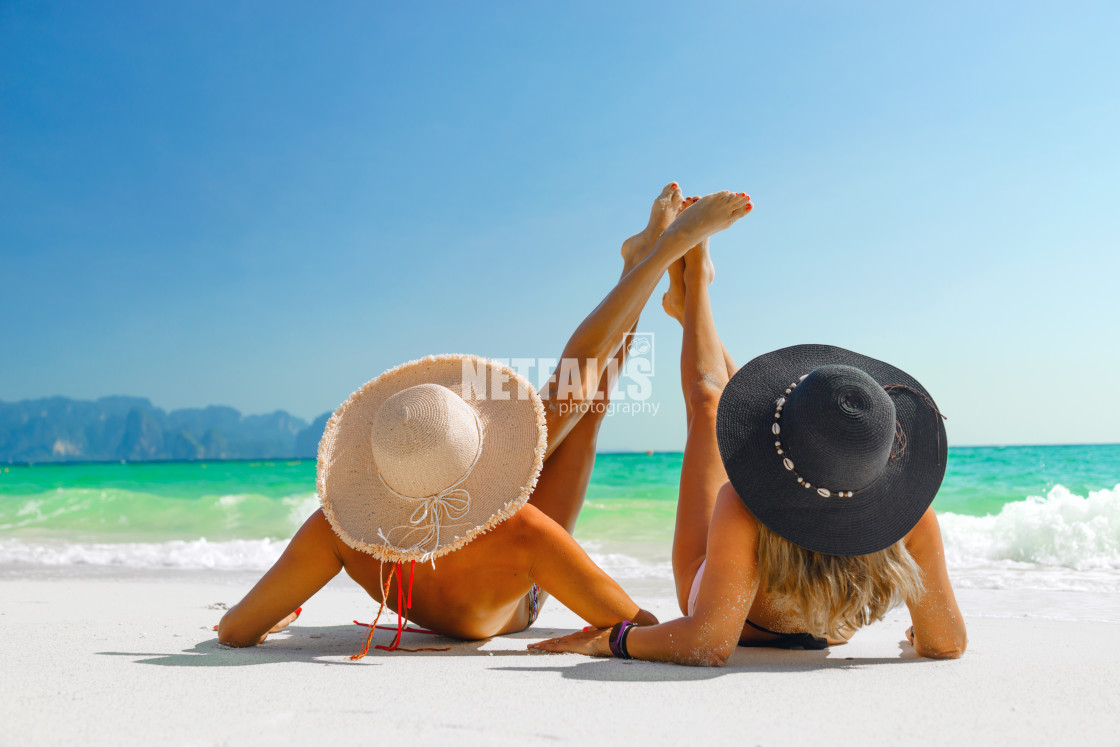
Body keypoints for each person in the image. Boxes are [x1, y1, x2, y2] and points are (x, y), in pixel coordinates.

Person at [218, 186, 755, 652]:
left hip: (472, 562)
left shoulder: (338, 532)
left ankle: (648, 260)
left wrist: (280, 612)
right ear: (477, 450)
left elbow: (235, 630)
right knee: (582, 403)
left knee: (579, 399)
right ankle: (650, 258)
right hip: (515, 587)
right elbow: (637, 625)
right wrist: (607, 639)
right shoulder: (522, 532)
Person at [530, 236, 967, 665]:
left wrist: (615, 640)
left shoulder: (742, 509)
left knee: (708, 404)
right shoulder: (911, 516)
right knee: (747, 413)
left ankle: (696, 285)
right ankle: (693, 309)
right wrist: (919, 634)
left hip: (746, 625)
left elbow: (708, 640)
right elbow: (946, 643)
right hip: (830, 626)